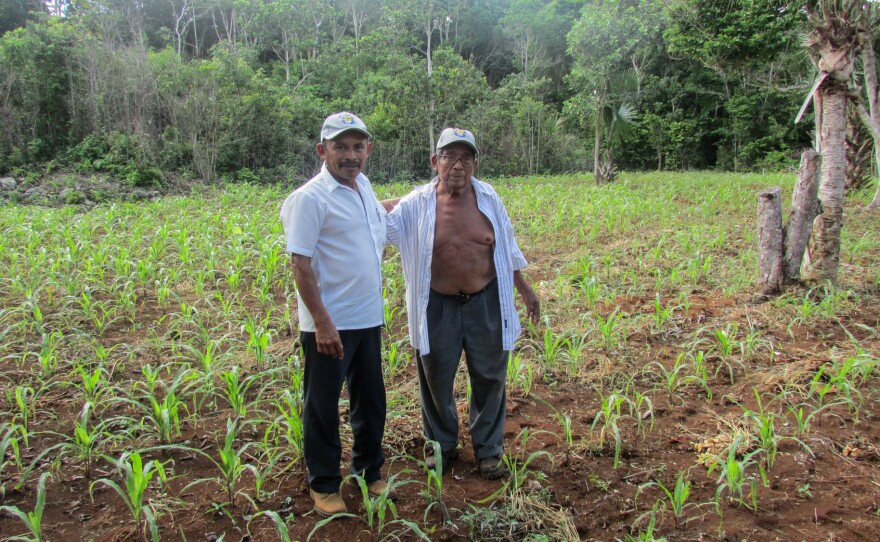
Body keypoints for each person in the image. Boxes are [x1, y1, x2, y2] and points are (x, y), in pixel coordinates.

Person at [386, 127, 540, 480]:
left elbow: (506, 250)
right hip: (436, 304)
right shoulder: (418, 202)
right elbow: (381, 225)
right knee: (436, 377)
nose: (458, 165)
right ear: (434, 161)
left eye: (465, 157)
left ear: (475, 162)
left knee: (489, 377)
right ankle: (442, 446)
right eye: (449, 156)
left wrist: (526, 291)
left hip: (485, 300)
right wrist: (357, 201)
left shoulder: (489, 198)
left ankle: (489, 450)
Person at [280, 112, 393, 517]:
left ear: (368, 150)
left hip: (366, 319)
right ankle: (325, 483)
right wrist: (322, 322)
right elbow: (300, 265)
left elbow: (376, 217)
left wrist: (420, 199)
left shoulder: (361, 186)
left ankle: (369, 471)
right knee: (323, 406)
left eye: (357, 146)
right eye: (341, 147)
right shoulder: (310, 198)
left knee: (371, 401)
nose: (350, 155)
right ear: (322, 150)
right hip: (330, 325)